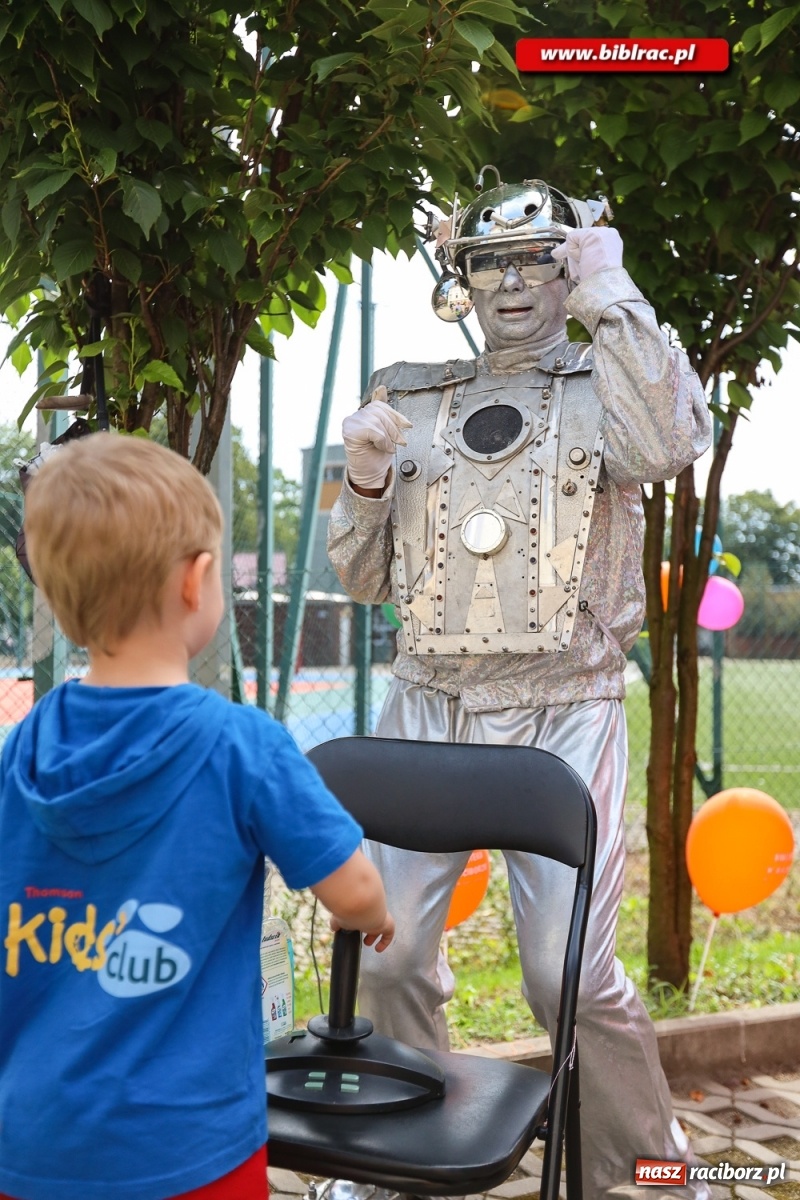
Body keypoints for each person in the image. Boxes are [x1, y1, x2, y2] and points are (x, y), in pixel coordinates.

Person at [327, 172, 711, 1198]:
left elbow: (669, 444)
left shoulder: (610, 382)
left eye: (535, 258)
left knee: (568, 979)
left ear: (568, 265)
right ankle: (399, 1165)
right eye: (487, 262)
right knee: (393, 957)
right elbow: (363, 580)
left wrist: (611, 294)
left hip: (565, 707)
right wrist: (363, 482)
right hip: (428, 704)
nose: (508, 283)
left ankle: (639, 1178)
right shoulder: (406, 393)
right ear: (459, 277)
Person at [0, 435, 395, 1200]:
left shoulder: (23, 750)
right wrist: (373, 910)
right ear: (198, 581)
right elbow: (351, 891)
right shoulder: (240, 745)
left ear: (53, 594)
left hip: (32, 1139)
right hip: (188, 1144)